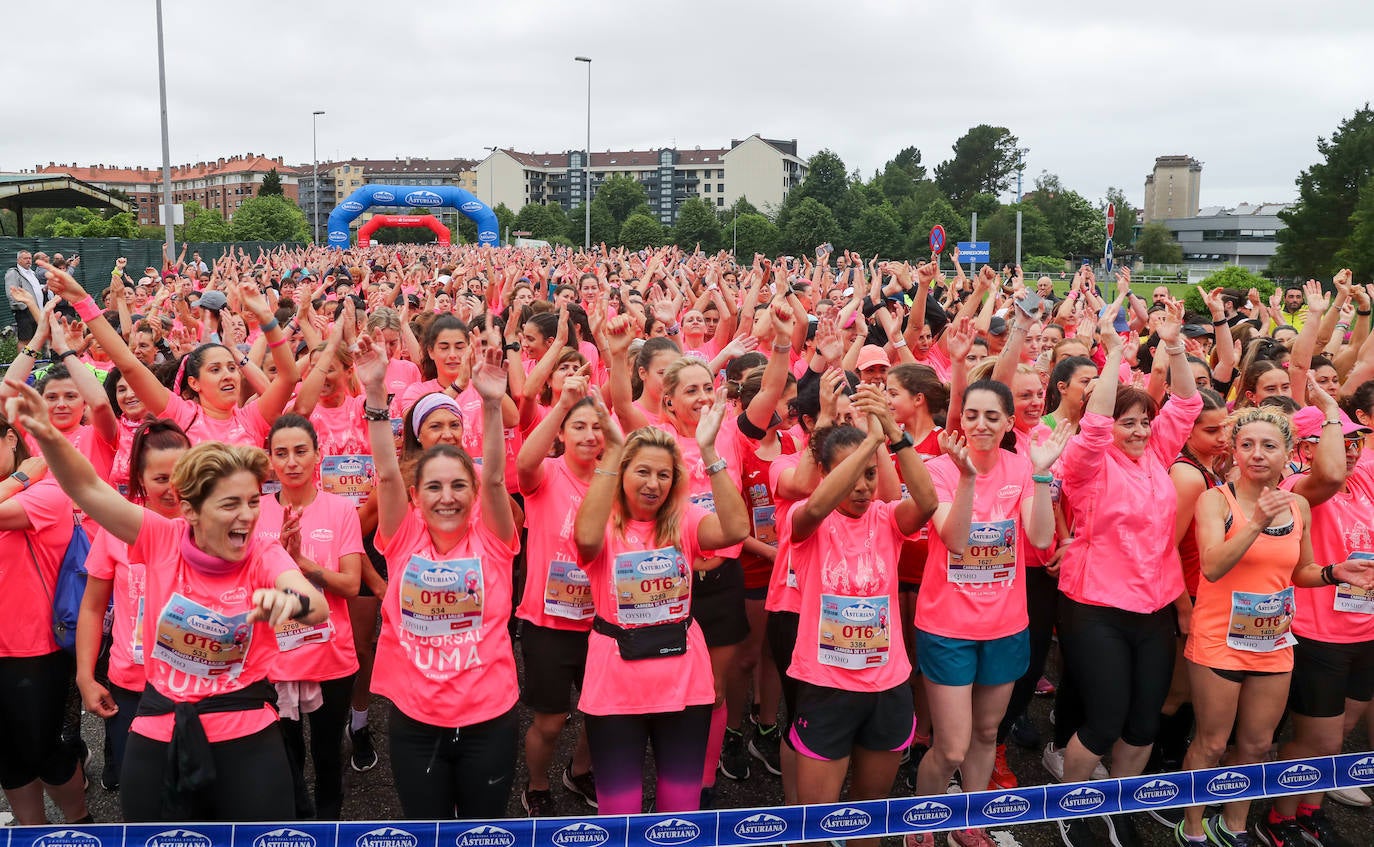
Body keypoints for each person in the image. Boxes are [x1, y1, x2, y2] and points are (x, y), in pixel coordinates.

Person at [8, 377, 328, 822]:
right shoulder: (160, 537)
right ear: (192, 509)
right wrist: (46, 436)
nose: (248, 516)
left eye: (254, 501)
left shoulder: (262, 551)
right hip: (160, 727)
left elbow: (314, 604)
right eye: (230, 503)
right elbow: (87, 489)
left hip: (247, 730)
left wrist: (289, 602)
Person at [1175, 409, 1365, 845]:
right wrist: (1257, 521)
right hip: (1219, 640)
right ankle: (1192, 828)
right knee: (1210, 743)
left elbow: (1301, 571)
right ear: (1235, 451)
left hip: (1274, 641)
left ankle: (1233, 825)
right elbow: (1213, 566)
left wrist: (1337, 572)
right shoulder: (1215, 500)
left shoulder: (1298, 505)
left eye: (1268, 446)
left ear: (1289, 456)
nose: (1257, 454)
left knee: (1258, 745)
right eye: (1247, 445)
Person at [1054, 297, 1203, 847]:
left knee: (1144, 722)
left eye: (1144, 422)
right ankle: (1070, 806)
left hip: (1154, 607)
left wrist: (1174, 346)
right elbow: (1094, 424)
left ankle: (1116, 805)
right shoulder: (1087, 462)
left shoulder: (1156, 455)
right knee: (1104, 719)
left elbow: (1185, 405)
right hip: (1095, 608)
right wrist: (1115, 353)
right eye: (1128, 423)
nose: (1139, 432)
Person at [360, 328, 520, 819]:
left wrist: (492, 405)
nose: (446, 496)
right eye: (433, 486)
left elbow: (494, 475)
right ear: (416, 495)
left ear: (472, 495)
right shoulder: (403, 537)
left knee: (481, 830)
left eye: (457, 486)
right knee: (426, 830)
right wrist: (373, 396)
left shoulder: (494, 539)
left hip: (488, 718)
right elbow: (388, 472)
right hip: (416, 719)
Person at [572, 390, 749, 815]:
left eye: (664, 475)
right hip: (616, 682)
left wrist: (709, 451)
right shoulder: (604, 522)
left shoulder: (684, 520)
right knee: (620, 811)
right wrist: (613, 450)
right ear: (622, 472)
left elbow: (737, 528)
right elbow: (586, 540)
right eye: (643, 472)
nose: (653, 484)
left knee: (680, 808)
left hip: (683, 680)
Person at [911, 381, 1067, 847]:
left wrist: (1041, 478)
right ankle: (920, 826)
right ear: (960, 420)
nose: (981, 425)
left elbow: (1040, 539)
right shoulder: (937, 469)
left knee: (985, 733)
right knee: (951, 745)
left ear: (1006, 423)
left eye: (992, 417)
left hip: (1005, 625)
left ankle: (967, 822)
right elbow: (956, 539)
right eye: (972, 415)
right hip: (947, 627)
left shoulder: (1022, 467)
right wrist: (966, 479)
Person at [786, 387, 939, 847]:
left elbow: (928, 503)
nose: (862, 487)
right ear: (828, 475)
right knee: (814, 824)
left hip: (887, 687)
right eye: (851, 476)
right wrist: (868, 444)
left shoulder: (888, 519)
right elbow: (815, 505)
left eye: (871, 477)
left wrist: (893, 437)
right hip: (827, 687)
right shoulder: (806, 521)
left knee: (867, 820)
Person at [43, 261, 300, 447]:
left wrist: (267, 316)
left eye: (231, 368)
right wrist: (81, 300)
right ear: (193, 383)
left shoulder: (252, 419)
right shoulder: (181, 415)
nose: (228, 375)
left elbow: (288, 377)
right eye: (215, 369)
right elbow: (129, 365)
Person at [75, 420, 190, 793]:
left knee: (198, 795)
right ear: (139, 480)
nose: (173, 488)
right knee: (142, 794)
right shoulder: (117, 529)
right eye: (160, 479)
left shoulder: (213, 526)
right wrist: (86, 676)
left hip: (197, 685)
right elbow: (92, 608)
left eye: (183, 474)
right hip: (132, 686)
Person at [257, 415, 363, 819]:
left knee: (327, 750)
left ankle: (328, 819)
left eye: (301, 451)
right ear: (270, 460)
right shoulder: (256, 513)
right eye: (281, 453)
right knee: (287, 752)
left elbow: (351, 585)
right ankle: (296, 821)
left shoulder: (340, 510)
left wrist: (300, 561)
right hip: (275, 657)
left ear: (319, 455)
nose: (292, 462)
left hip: (330, 656)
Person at [513, 371, 603, 815]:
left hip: (604, 620)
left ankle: (580, 771)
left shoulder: (616, 483)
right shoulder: (547, 474)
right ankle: (536, 785)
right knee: (549, 721)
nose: (589, 436)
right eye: (579, 426)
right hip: (547, 621)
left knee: (601, 714)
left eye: (597, 427)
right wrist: (564, 404)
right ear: (563, 432)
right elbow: (523, 465)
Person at [0, 409, 88, 826]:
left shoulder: (47, 491)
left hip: (35, 649)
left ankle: (79, 822)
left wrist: (19, 480)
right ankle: (29, 831)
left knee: (47, 752)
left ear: (11, 440)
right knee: (9, 756)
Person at [6, 250, 51, 345]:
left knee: (36, 339)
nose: (28, 260)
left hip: (37, 311)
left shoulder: (32, 273)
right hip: (24, 313)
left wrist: (44, 288)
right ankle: (22, 359)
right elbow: (11, 293)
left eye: (30, 258)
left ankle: (32, 359)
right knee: (25, 340)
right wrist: (25, 307)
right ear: (18, 260)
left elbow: (35, 289)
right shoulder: (14, 273)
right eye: (25, 258)